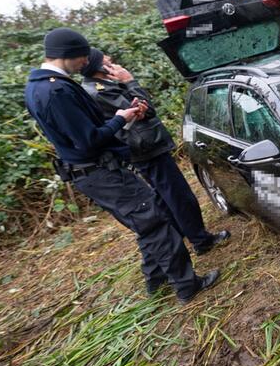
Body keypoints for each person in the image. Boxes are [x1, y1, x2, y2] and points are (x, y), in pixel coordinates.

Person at [24, 27, 219, 304]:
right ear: (69, 54)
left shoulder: (41, 86)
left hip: (98, 170)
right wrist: (120, 118)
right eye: (82, 56)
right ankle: (188, 285)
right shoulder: (56, 91)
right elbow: (88, 140)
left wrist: (121, 119)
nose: (85, 63)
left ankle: (156, 280)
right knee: (154, 223)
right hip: (101, 171)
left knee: (146, 222)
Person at [80, 49, 230, 255]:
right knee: (178, 195)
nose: (110, 60)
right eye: (105, 58)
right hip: (145, 148)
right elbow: (145, 110)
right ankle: (201, 240)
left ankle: (180, 237)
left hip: (140, 147)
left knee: (163, 196)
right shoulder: (101, 90)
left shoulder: (98, 87)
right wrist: (130, 81)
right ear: (98, 65)